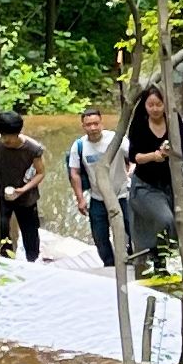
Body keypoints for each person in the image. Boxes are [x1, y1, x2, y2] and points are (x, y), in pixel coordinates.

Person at [121, 84, 183, 278]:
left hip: (169, 185)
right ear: (145, 106)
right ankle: (155, 259)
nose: (155, 109)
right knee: (165, 219)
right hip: (145, 186)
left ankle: (163, 262)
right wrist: (154, 156)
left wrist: (170, 152)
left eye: (159, 104)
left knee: (175, 224)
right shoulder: (140, 122)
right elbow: (134, 156)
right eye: (151, 105)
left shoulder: (174, 121)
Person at [0, 109, 45, 262]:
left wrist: (23, 190)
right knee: (1, 228)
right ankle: (6, 258)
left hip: (26, 196)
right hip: (1, 195)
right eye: (3, 136)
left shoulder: (33, 148)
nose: (6, 140)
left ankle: (32, 260)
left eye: (9, 136)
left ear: (18, 132)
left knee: (30, 231)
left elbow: (40, 173)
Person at [66, 114, 120, 266]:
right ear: (83, 126)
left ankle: (128, 261)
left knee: (127, 232)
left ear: (101, 123)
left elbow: (133, 157)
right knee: (99, 236)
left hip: (121, 195)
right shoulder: (79, 146)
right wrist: (80, 199)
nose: (93, 128)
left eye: (96, 123)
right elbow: (74, 173)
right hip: (97, 197)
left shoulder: (115, 139)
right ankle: (109, 264)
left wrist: (129, 172)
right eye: (88, 124)